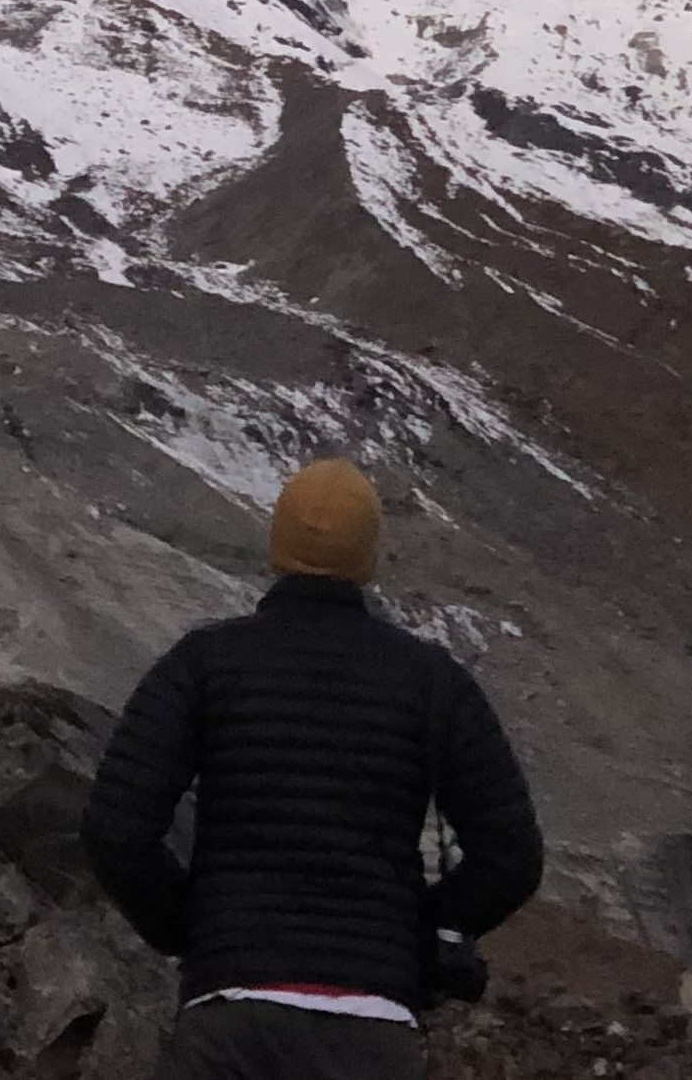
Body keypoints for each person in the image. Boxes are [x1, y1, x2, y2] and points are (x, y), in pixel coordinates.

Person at [82, 457, 545, 1078]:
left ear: (278, 544)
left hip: (229, 1019)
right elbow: (512, 853)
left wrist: (193, 929)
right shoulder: (432, 682)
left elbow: (116, 827)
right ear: (367, 557)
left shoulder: (203, 666)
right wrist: (420, 931)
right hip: (372, 1027)